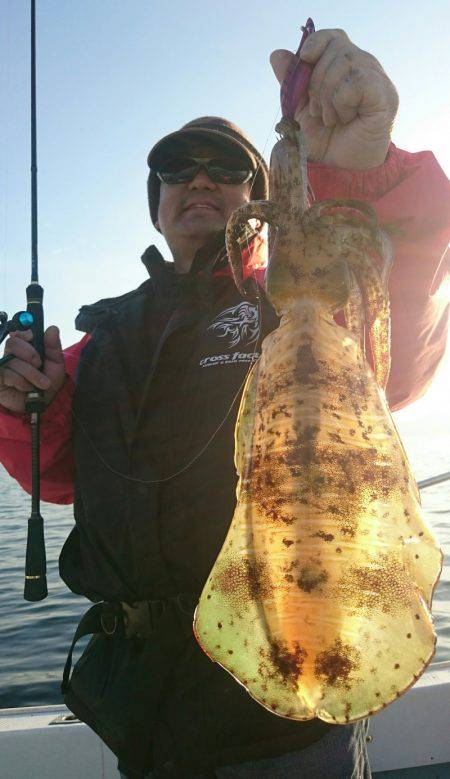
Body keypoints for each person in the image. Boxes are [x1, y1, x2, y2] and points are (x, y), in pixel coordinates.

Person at [1, 28, 449, 779]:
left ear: (257, 197)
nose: (201, 181)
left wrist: (361, 172)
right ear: (157, 204)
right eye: (178, 169)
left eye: (228, 169)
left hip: (276, 716)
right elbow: (62, 477)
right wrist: (24, 408)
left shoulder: (298, 299)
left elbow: (396, 356)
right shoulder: (103, 336)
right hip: (138, 704)